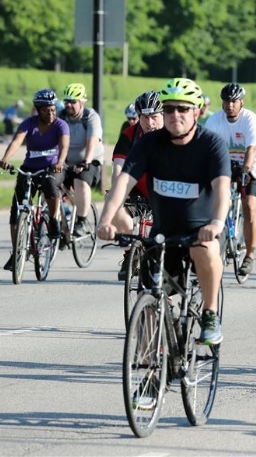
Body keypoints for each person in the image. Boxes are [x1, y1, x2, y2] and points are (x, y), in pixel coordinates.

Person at [97, 78, 230, 344]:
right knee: (149, 291)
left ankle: (210, 314)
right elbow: (123, 181)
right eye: (169, 109)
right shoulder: (149, 144)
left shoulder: (211, 145)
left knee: (204, 250)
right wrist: (106, 219)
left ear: (197, 111)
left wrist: (216, 223)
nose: (175, 115)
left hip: (201, 231)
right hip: (163, 233)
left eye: (182, 109)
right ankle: (149, 366)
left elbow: (222, 189)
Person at [0, 90, 69, 271]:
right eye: (46, 110)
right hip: (30, 167)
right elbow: (16, 142)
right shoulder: (28, 124)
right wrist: (5, 159)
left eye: (53, 110)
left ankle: (53, 220)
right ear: (38, 109)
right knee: (16, 209)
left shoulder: (61, 125)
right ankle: (17, 251)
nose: (51, 114)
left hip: (53, 168)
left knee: (50, 184)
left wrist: (60, 162)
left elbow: (64, 145)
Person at [205, 83, 256, 277]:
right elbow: (207, 148)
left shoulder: (250, 119)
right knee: (213, 204)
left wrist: (246, 170)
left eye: (234, 101)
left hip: (251, 168)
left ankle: (249, 255)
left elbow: (252, 149)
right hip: (226, 167)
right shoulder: (215, 120)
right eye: (226, 101)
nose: (229, 105)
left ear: (241, 102)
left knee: (249, 206)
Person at [111, 91, 164, 281]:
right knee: (117, 208)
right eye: (145, 117)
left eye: (155, 117)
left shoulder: (174, 134)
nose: (150, 123)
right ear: (138, 117)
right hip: (138, 189)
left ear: (163, 115)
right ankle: (129, 255)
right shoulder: (129, 135)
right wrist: (116, 195)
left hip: (166, 191)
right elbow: (118, 169)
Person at [58, 83, 104, 237]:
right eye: (66, 101)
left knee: (80, 182)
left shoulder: (90, 116)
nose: (68, 105)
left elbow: (93, 140)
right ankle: (61, 216)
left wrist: (86, 161)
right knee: (49, 183)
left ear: (82, 102)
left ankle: (82, 221)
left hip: (89, 161)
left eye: (73, 102)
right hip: (66, 162)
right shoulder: (61, 115)